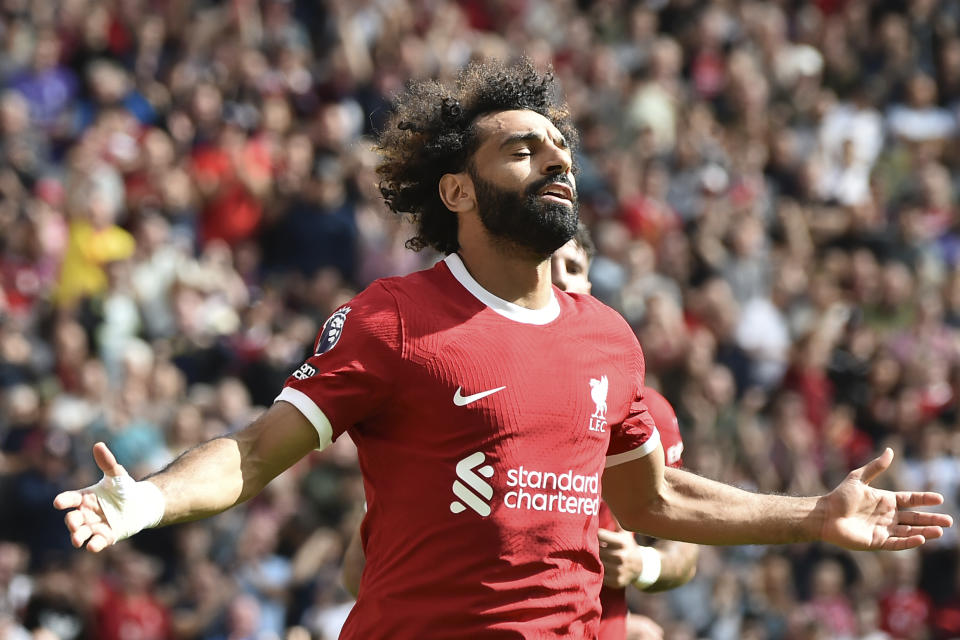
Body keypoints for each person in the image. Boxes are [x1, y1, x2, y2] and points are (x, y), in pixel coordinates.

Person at [55, 60, 951, 640]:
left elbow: (660, 497)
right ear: (458, 188)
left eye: (558, 147)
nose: (555, 161)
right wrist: (147, 501)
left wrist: (811, 514)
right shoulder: (394, 318)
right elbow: (253, 454)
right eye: (521, 151)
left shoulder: (609, 339)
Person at [339, 228, 698, 640]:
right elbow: (360, 571)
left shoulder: (643, 409)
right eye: (546, 263)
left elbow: (682, 542)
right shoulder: (469, 399)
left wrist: (643, 566)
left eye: (574, 267)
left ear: (590, 285)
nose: (560, 278)